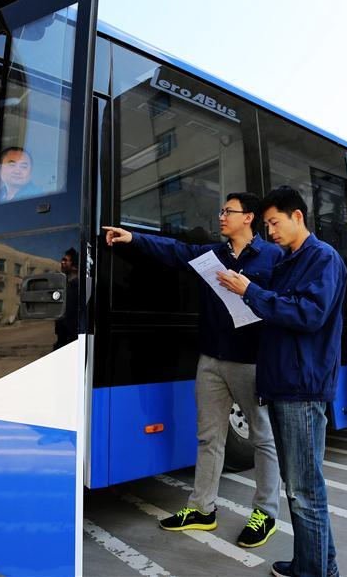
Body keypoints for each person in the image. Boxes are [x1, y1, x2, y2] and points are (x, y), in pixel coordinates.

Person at [103, 193, 282, 548]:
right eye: (220, 211)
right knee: (208, 437)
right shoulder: (212, 254)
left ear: (248, 218)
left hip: (251, 360)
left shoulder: (273, 257)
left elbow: (282, 305)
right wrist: (134, 238)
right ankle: (202, 509)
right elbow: (174, 250)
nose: (221, 217)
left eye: (228, 212)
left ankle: (266, 513)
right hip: (212, 359)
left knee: (262, 438)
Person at [217, 185, 347, 577]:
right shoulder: (290, 260)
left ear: (298, 217)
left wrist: (252, 291)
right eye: (267, 223)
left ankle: (315, 571)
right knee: (300, 487)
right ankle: (317, 564)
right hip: (283, 383)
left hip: (301, 387)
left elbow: (310, 314)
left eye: (274, 222)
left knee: (305, 490)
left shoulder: (322, 258)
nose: (270, 230)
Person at [54, 248, 79, 349]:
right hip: (62, 338)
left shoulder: (78, 285)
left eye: (65, 260)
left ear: (74, 265)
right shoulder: (65, 284)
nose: (62, 262)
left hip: (72, 340)